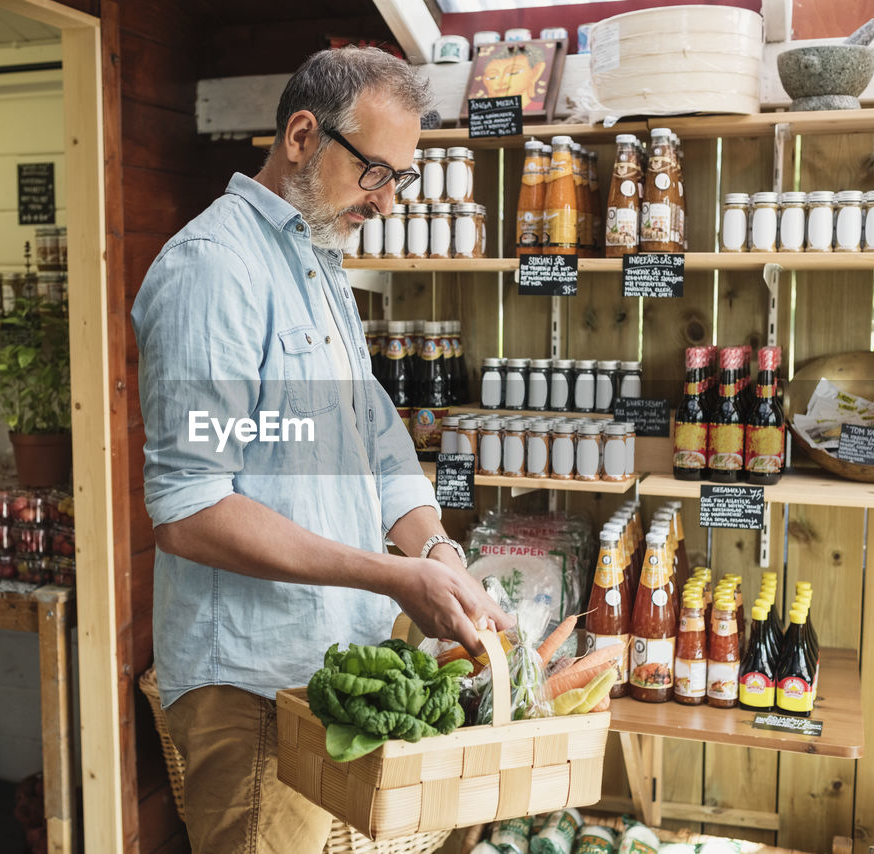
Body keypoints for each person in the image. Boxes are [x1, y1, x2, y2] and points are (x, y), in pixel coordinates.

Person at [130, 47, 513, 854]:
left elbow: (375, 442)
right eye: (375, 172)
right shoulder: (214, 269)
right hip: (255, 689)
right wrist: (391, 574)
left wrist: (438, 552)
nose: (384, 201)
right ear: (303, 135)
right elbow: (191, 511)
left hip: (329, 670)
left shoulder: (318, 263)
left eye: (398, 180)